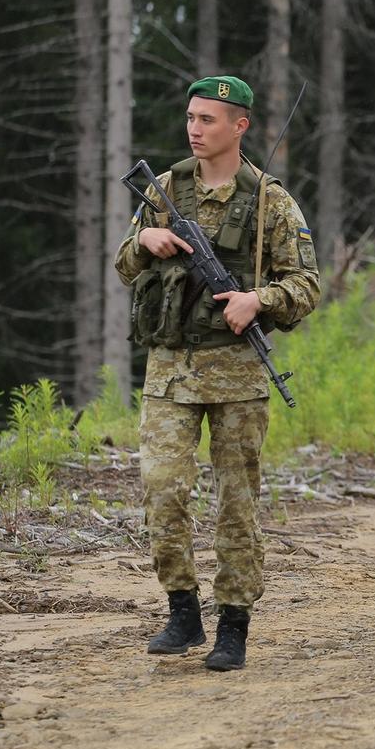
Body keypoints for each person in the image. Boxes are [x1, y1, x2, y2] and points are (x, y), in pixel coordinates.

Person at [115, 75, 321, 671]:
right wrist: (146, 238)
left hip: (236, 377)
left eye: (208, 119)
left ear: (240, 126)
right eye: (190, 118)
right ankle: (182, 608)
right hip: (170, 370)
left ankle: (234, 623)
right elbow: (125, 261)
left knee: (236, 504)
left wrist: (259, 301)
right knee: (162, 490)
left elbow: (306, 284)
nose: (194, 129)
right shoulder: (163, 189)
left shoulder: (270, 200)